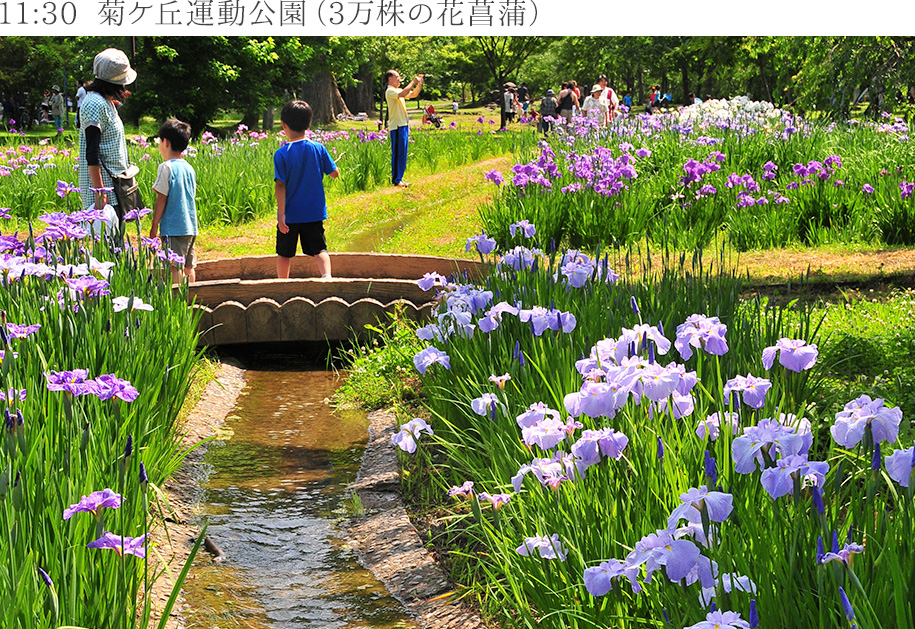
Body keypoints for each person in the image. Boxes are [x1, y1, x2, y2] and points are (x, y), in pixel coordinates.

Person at [273, 100, 340, 280]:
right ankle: (327, 277)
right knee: (320, 249)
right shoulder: (318, 148)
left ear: (284, 125)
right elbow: (334, 173)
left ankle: (282, 283)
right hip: (314, 212)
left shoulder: (281, 153)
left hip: (290, 215)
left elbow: (280, 185)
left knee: (284, 253)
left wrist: (281, 215)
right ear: (309, 124)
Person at [78, 48, 137, 218]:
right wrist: (100, 193)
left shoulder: (105, 100)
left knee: (116, 238)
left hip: (115, 183)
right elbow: (92, 153)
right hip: (104, 187)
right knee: (106, 240)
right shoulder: (95, 104)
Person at [149, 119, 198, 285]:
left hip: (173, 228)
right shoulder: (189, 168)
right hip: (190, 226)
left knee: (174, 267)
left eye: (159, 142)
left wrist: (154, 225)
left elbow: (161, 198)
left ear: (166, 142)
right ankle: (192, 297)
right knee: (188, 266)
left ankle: (178, 301)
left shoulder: (166, 167)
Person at [384, 69, 423, 188]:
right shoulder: (390, 91)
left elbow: (413, 94)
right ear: (390, 79)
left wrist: (419, 84)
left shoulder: (398, 90)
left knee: (403, 154)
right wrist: (413, 81)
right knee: (397, 153)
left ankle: (400, 178)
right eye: (397, 77)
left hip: (404, 126)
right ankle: (396, 180)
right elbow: (403, 94)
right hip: (396, 127)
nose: (399, 79)